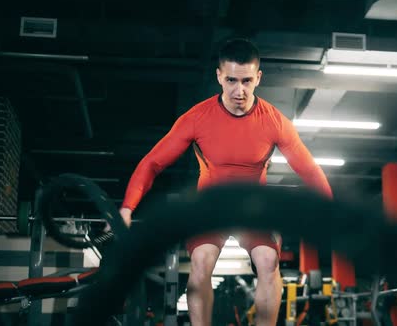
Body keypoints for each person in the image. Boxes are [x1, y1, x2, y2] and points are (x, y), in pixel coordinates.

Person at [119, 38, 333, 325]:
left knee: (268, 262)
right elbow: (153, 163)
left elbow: (309, 170)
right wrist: (127, 207)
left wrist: (333, 215)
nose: (239, 91)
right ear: (219, 76)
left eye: (246, 81)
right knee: (201, 261)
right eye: (231, 80)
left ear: (258, 78)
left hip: (253, 208)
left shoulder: (275, 122)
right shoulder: (196, 118)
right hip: (210, 206)